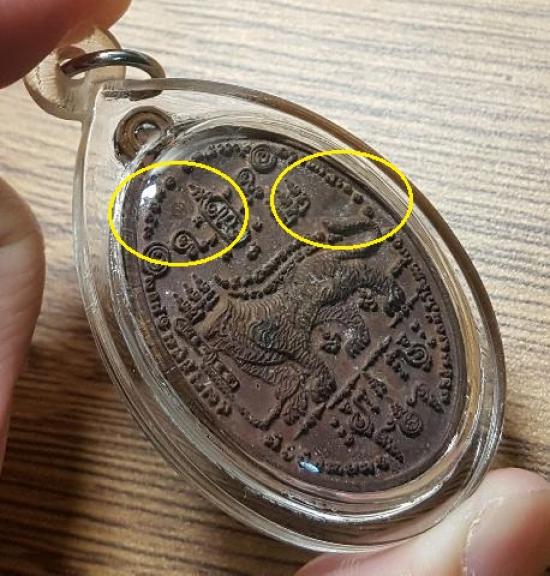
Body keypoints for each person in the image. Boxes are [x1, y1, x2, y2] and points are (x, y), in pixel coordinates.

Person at [0, 1, 548, 574]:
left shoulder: (257, 317)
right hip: (334, 419)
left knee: (349, 275)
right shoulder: (235, 329)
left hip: (332, 329)